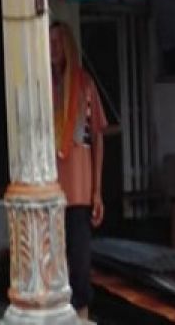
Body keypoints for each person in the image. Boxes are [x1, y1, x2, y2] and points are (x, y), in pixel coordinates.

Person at [51, 21, 107, 322]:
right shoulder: (44, 87)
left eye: (59, 42)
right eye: (49, 43)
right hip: (51, 191)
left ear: (69, 46)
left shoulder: (85, 84)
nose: (53, 48)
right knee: (55, 263)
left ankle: (83, 317)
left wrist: (97, 190)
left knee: (81, 262)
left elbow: (98, 135)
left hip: (81, 191)